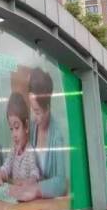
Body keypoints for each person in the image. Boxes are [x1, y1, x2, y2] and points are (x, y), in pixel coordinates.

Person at [9, 68, 68, 201]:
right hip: (32, 202)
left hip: (49, 205)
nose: (34, 117)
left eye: (37, 111)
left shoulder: (57, 135)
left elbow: (61, 183)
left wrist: (36, 189)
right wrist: (26, 181)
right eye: (32, 109)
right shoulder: (33, 128)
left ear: (47, 108)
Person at [0, 92, 40, 188]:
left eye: (16, 127)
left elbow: (35, 172)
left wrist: (30, 181)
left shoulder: (29, 151)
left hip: (25, 194)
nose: (14, 134)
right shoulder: (13, 150)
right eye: (11, 129)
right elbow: (6, 167)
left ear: (26, 126)